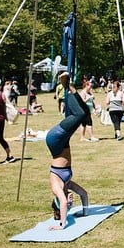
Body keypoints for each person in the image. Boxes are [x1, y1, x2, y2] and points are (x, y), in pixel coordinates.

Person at [45, 73, 89, 230]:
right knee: (84, 113)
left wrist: (61, 225)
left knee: (80, 115)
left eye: (70, 203)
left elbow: (63, 202)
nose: (70, 200)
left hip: (55, 141)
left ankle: (66, 87)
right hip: (63, 143)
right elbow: (84, 194)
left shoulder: (56, 187)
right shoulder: (67, 183)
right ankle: (72, 90)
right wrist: (85, 212)